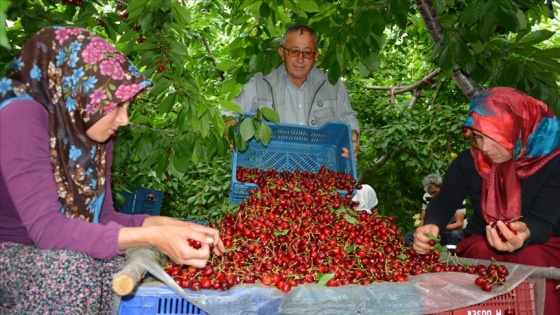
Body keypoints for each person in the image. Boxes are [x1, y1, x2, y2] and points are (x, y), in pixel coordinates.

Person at [0, 26, 225, 314]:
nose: (125, 119)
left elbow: (103, 218)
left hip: (55, 253)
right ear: (80, 91)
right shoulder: (20, 117)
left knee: (116, 272)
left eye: (128, 106)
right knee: (75, 271)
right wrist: (153, 237)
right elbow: (47, 229)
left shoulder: (92, 133)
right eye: (116, 106)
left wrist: (175, 226)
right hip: (11, 256)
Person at [412, 87, 560, 314]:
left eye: (498, 137)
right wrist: (431, 226)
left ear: (520, 130)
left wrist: (524, 234)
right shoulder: (469, 162)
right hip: (483, 243)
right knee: (482, 251)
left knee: (533, 260)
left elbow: (543, 221)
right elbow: (443, 204)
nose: (486, 148)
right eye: (479, 137)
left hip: (543, 244)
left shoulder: (553, 162)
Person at [227, 24, 360, 160]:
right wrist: (230, 127)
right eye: (294, 51)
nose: (300, 59)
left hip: (323, 169)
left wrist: (353, 134)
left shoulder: (333, 85)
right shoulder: (258, 84)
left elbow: (347, 116)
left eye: (307, 52)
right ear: (282, 52)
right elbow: (229, 113)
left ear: (316, 56)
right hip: (270, 172)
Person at [404, 174, 466, 247]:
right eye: (430, 193)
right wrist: (419, 232)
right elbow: (423, 219)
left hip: (451, 233)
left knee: (455, 235)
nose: (432, 196)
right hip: (435, 233)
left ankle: (450, 255)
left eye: (434, 192)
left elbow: (459, 225)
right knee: (409, 235)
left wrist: (437, 227)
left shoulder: (456, 197)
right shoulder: (427, 197)